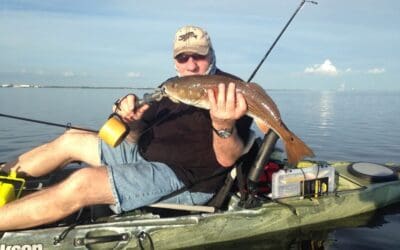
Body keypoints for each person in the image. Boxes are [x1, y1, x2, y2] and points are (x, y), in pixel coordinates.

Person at [0, 25, 252, 231]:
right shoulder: (170, 87)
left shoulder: (231, 90)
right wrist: (131, 122)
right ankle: (4, 173)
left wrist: (222, 123)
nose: (191, 64)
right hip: (142, 155)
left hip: (185, 179)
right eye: (182, 57)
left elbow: (227, 158)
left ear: (212, 54)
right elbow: (134, 138)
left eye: (199, 55)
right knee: (72, 137)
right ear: (175, 62)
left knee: (83, 182)